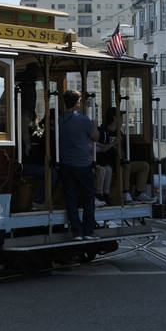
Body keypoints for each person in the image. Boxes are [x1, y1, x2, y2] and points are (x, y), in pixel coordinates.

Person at [58, 89, 99, 240]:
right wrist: (94, 125)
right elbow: (95, 137)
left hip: (65, 164)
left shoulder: (60, 119)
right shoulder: (83, 120)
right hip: (82, 164)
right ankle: (88, 231)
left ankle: (77, 232)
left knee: (71, 198)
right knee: (88, 198)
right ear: (76, 103)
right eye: (80, 101)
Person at [94, 107, 120, 203]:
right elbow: (101, 149)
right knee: (102, 169)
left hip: (108, 163)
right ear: (114, 118)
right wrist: (113, 144)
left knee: (108, 169)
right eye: (120, 116)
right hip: (96, 162)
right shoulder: (102, 132)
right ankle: (98, 194)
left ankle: (106, 194)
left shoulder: (119, 132)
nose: (122, 119)